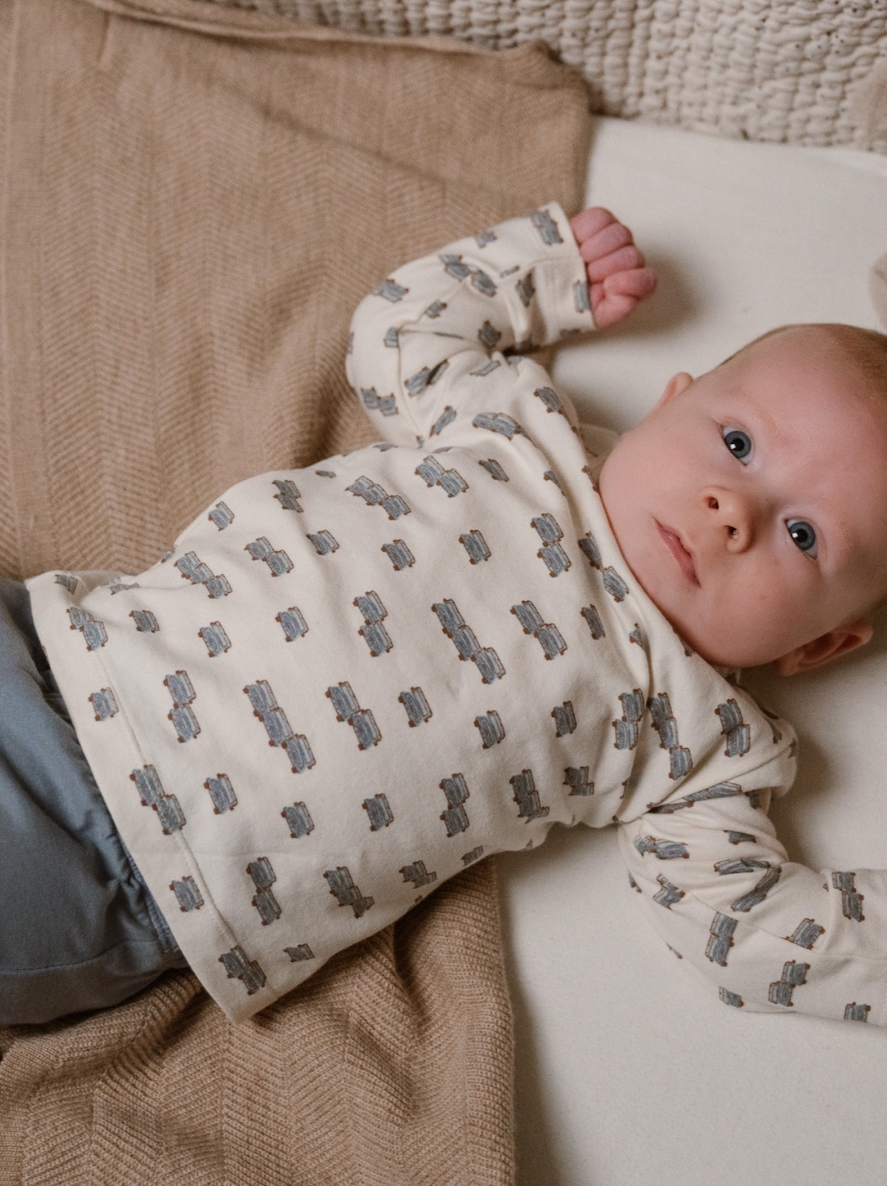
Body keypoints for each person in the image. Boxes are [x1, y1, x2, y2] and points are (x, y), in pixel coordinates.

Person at [5, 202, 887, 1028]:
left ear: (817, 645)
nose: (731, 507)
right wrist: (544, 268)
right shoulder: (518, 425)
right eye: (735, 442)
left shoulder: (695, 738)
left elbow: (747, 931)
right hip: (59, 648)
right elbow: (396, 333)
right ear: (671, 402)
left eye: (804, 535)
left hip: (131, 865)